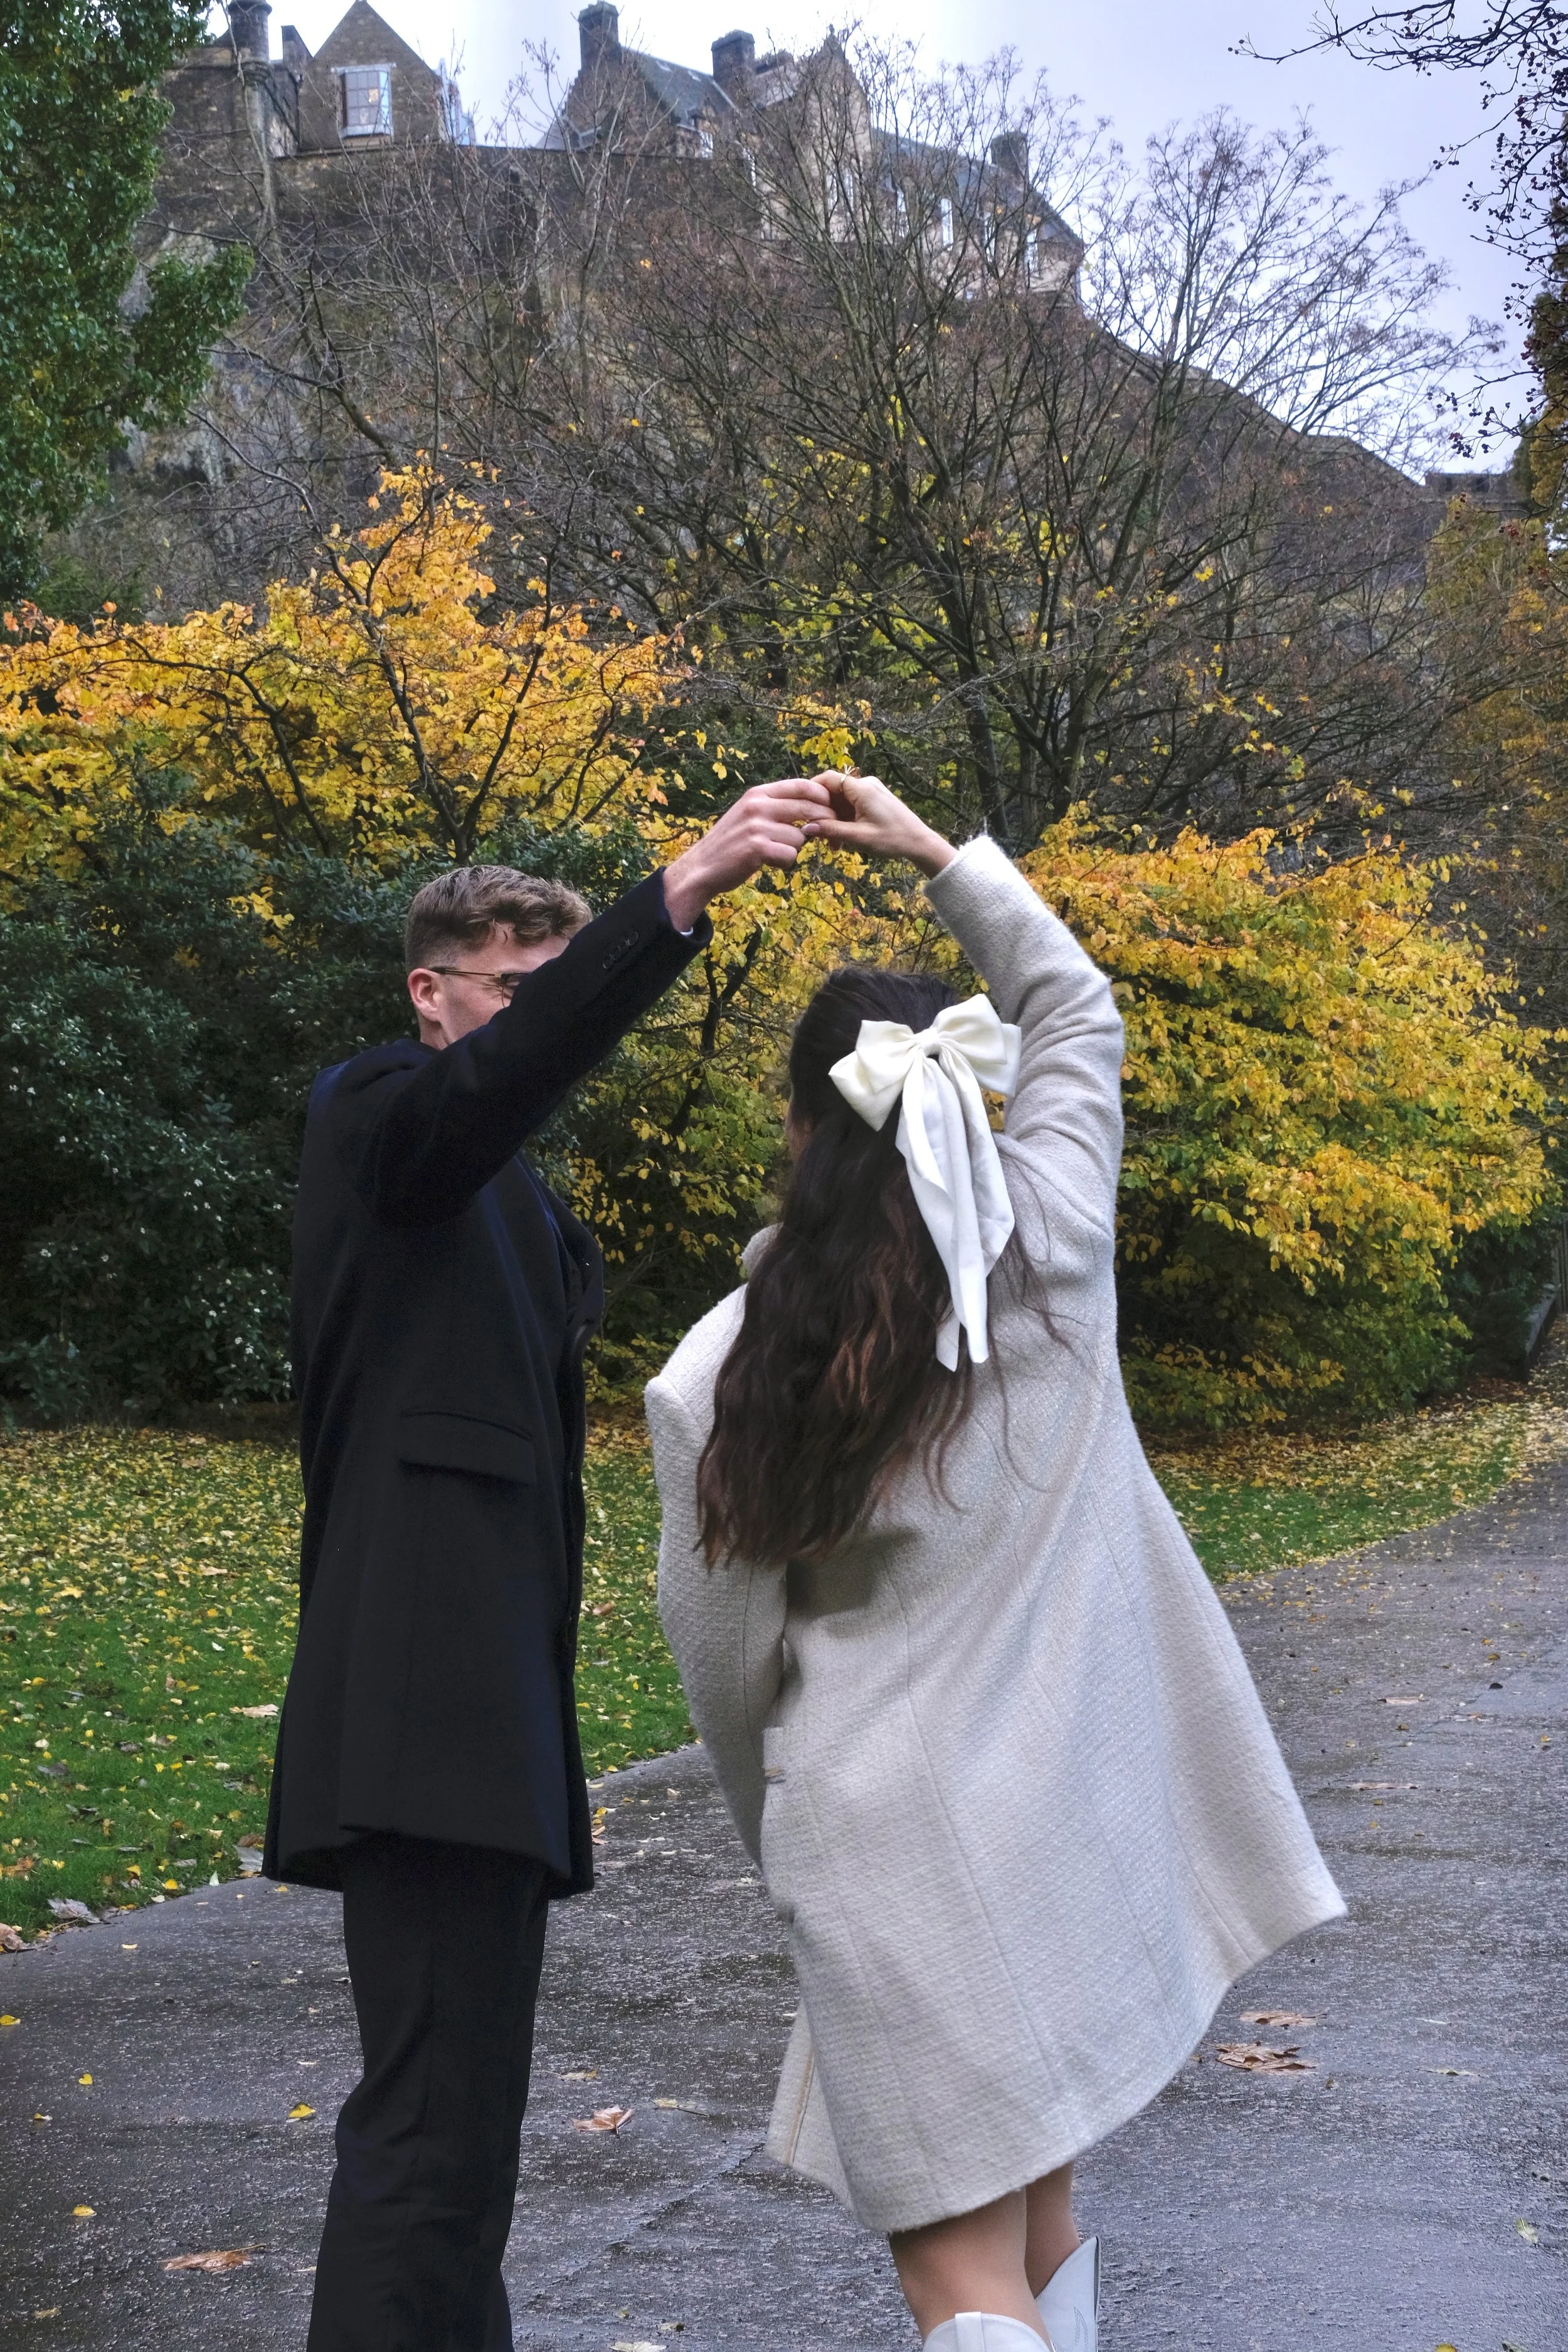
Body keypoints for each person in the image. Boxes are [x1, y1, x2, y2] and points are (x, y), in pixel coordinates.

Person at [647, 776, 1344, 2352]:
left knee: (953, 2278)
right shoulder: (1056, 1254)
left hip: (877, 1840)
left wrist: (781, 1842)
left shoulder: (718, 1371)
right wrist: (938, 855)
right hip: (1054, 1821)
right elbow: (1075, 1004)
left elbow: (719, 1661)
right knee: (1032, 2227)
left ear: (798, 1130)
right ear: (967, 1097)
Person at [262, 776, 835, 2352]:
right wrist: (683, 890)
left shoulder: (511, 1193)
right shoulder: (380, 1114)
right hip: (418, 1716)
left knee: (461, 2141)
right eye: (509, 990)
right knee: (427, 2137)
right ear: (429, 994)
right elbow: (476, 1100)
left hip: (487, 1723)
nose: (531, 1022)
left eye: (546, 983)